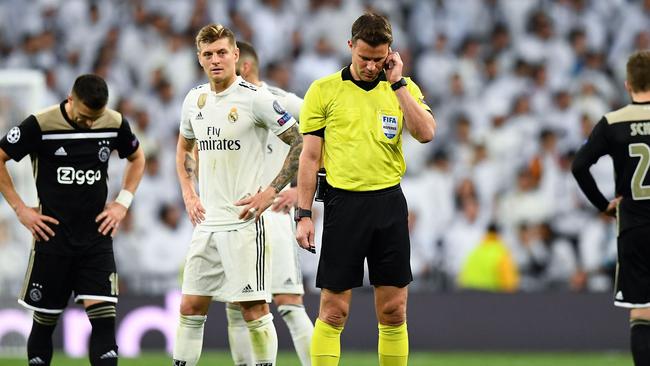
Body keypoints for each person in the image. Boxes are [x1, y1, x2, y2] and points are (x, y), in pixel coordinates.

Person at [295, 13, 436, 366]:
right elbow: (310, 159)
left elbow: (426, 133)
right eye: (364, 58)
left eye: (378, 59)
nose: (372, 66)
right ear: (350, 48)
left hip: (388, 203)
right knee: (333, 311)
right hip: (344, 205)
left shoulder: (403, 87)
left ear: (390, 53)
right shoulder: (324, 90)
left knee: (393, 310)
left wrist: (399, 83)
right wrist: (303, 214)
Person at [173, 24, 302, 366]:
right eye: (207, 54)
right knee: (189, 307)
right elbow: (185, 145)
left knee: (254, 310)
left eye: (221, 53)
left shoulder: (257, 99)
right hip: (207, 223)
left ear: (235, 56)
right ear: (199, 59)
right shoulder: (194, 99)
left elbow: (299, 141)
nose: (215, 60)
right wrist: (189, 192)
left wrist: (271, 192)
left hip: (244, 224)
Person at [0, 74, 145, 366]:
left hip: (96, 239)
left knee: (104, 324)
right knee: (44, 325)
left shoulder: (114, 122)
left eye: (96, 117)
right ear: (70, 99)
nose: (91, 123)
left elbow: (137, 157)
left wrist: (122, 203)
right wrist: (20, 209)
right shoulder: (40, 124)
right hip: (52, 240)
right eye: (84, 117)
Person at [222, 40, 313, 366]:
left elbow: (325, 142)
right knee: (237, 306)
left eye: (226, 60)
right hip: (239, 216)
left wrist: (300, 191)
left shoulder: (286, 102)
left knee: (289, 303)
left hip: (273, 215)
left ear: (243, 66)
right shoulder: (226, 106)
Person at [572, 50, 650, 366]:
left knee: (642, 309)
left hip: (633, 225)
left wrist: (604, 206)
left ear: (627, 83)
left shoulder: (613, 122)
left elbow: (579, 166)